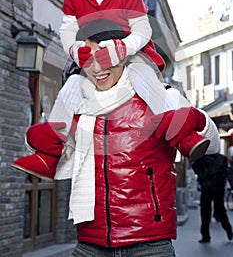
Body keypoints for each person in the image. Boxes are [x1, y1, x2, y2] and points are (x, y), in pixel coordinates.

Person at [11, 0, 211, 179]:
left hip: (132, 54)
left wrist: (121, 48)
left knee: (148, 83)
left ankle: (185, 136)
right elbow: (67, 31)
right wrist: (76, 51)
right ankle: (50, 155)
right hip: (92, 57)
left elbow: (142, 32)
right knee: (70, 88)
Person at [14, 20, 220, 257]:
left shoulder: (160, 95)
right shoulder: (78, 104)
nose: (96, 68)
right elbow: (51, 152)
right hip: (91, 243)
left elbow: (212, 143)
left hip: (149, 245)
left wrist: (196, 120)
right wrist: (41, 138)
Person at [192, 153, 233, 243]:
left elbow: (195, 167)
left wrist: (202, 178)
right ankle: (229, 230)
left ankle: (206, 236)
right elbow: (226, 171)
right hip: (218, 188)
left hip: (206, 188)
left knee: (205, 213)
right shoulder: (222, 158)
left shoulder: (201, 159)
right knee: (221, 211)